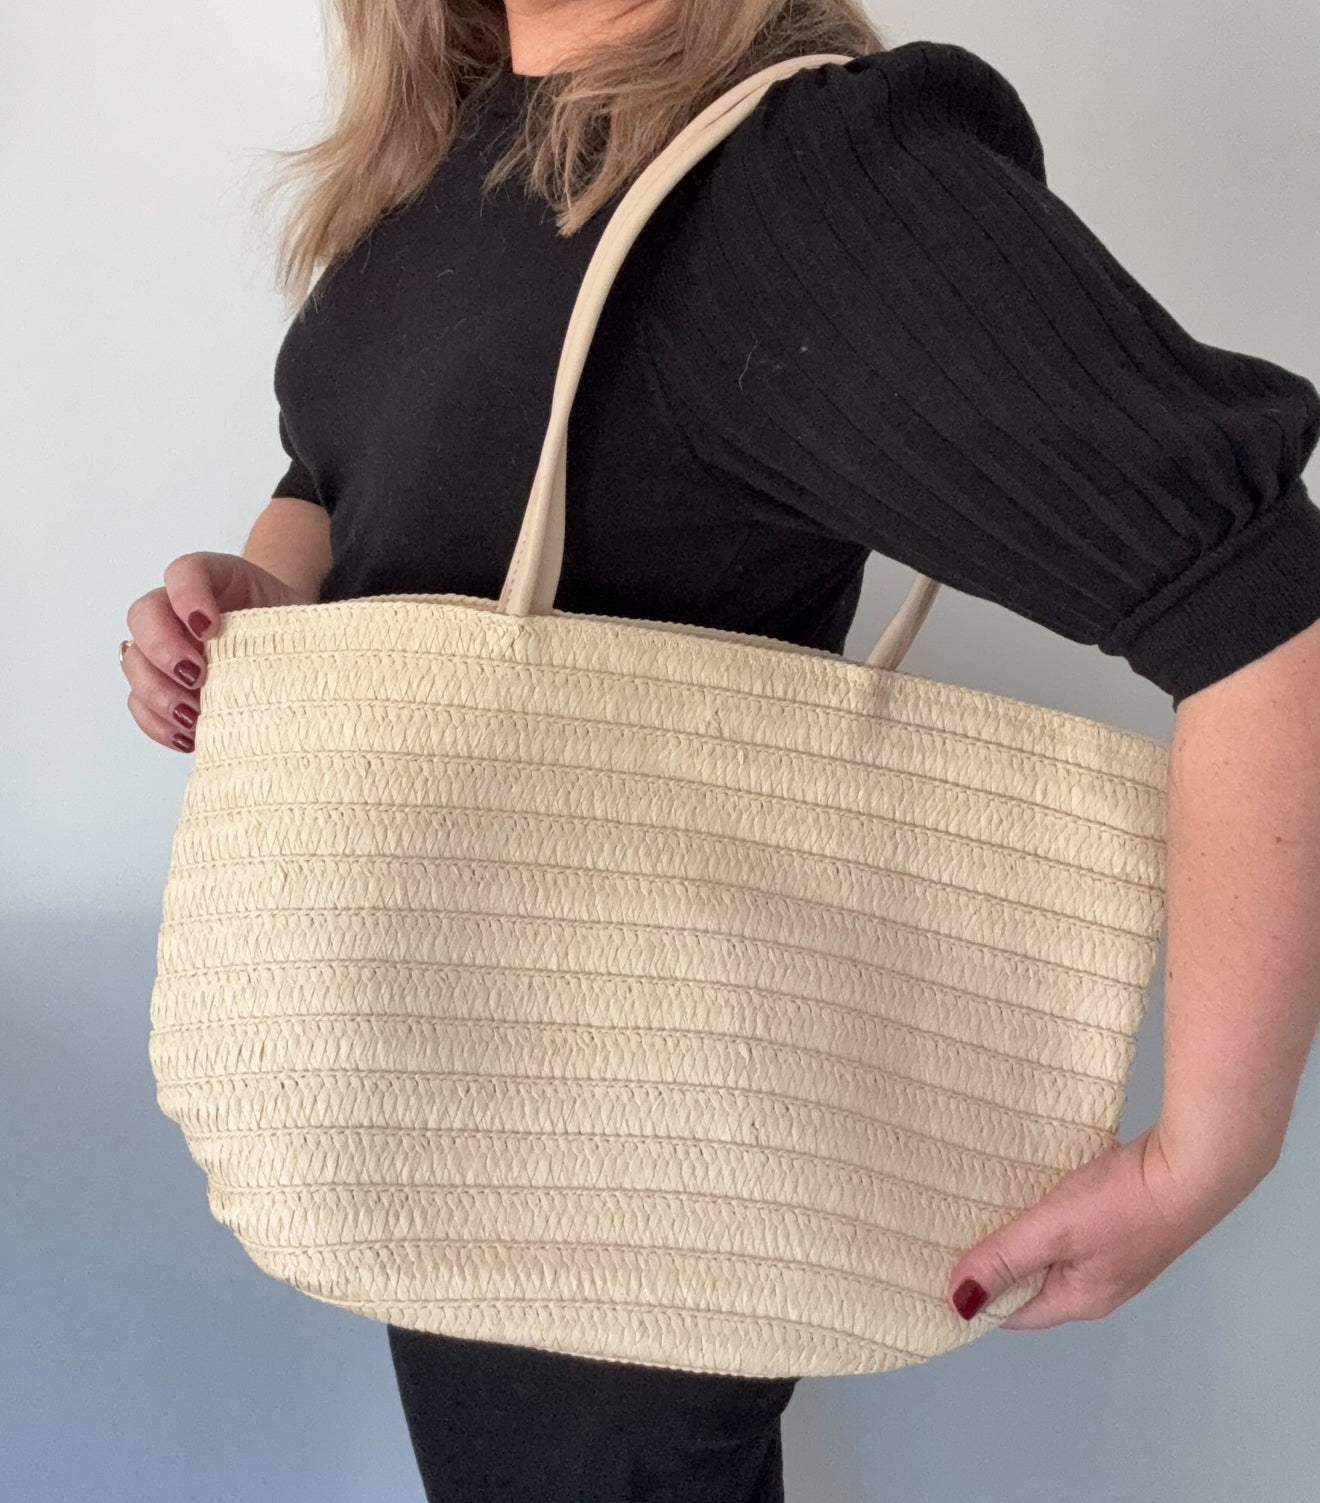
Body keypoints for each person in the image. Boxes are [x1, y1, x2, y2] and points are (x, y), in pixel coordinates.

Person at [120, 1, 1320, 1499]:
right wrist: (266, 588)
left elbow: (1263, 600)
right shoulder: (457, 152)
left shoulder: (799, 174)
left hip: (638, 1134)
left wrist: (1209, 1152)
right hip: (433, 1078)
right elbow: (336, 463)